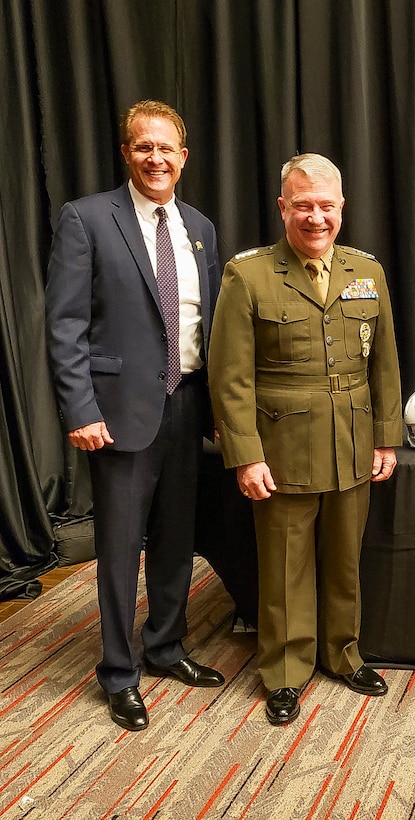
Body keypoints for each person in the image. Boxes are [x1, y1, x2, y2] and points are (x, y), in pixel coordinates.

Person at [45, 100, 225, 732]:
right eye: (143, 147)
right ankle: (119, 673)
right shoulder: (88, 219)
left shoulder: (200, 226)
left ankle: (167, 646)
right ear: (126, 153)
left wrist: (219, 410)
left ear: (183, 156)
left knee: (177, 540)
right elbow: (65, 324)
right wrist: (80, 408)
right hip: (117, 414)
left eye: (167, 148)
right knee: (121, 548)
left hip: (189, 405)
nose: (156, 159)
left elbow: (210, 325)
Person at [208, 153, 402, 726]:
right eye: (303, 207)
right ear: (282, 208)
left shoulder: (367, 272)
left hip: (352, 442)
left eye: (326, 206)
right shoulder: (249, 275)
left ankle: (343, 654)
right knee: (286, 567)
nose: (315, 219)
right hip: (283, 447)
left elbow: (385, 363)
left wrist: (386, 438)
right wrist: (245, 454)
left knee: (344, 559)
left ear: (342, 208)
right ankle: (286, 672)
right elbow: (230, 377)